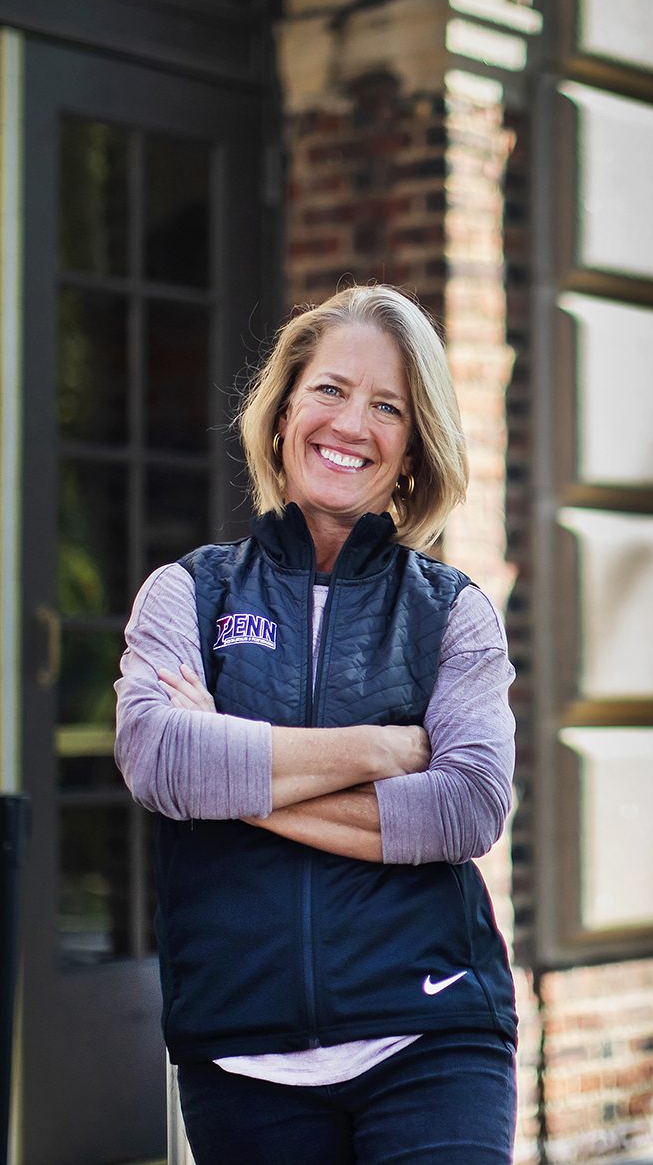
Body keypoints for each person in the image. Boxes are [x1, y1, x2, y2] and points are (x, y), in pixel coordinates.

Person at [113, 284, 517, 1164]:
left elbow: (467, 806)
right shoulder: (191, 590)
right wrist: (381, 750)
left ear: (412, 448)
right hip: (242, 1043)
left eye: (387, 407)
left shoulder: (451, 613)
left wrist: (229, 776)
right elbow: (157, 758)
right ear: (284, 409)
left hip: (432, 1028)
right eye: (330, 389)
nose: (351, 423)